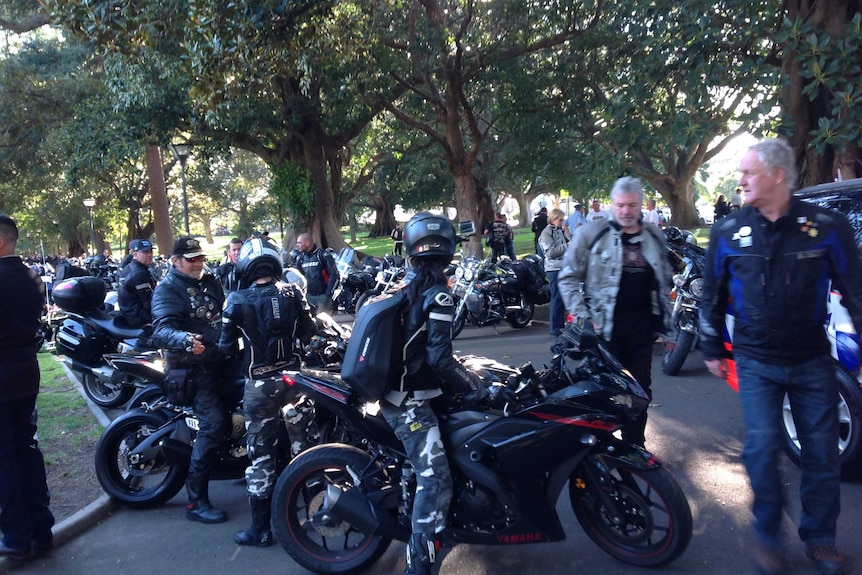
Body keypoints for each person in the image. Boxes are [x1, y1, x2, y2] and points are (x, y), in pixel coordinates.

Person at [699, 138, 862, 575]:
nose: (741, 180)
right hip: (755, 361)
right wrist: (711, 346)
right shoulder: (729, 230)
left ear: (777, 175)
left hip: (812, 359)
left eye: (748, 173)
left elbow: (855, 289)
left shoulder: (826, 226)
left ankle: (820, 540)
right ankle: (769, 537)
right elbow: (710, 294)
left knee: (822, 453)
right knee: (762, 449)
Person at [381, 211, 487, 575]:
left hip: (399, 391)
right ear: (448, 251)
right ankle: (419, 566)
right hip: (409, 402)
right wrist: (475, 385)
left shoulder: (404, 283)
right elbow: (440, 359)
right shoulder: (438, 294)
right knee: (435, 478)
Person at [218, 237, 318, 548]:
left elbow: (224, 348)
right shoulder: (293, 293)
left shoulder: (235, 300)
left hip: (258, 387)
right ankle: (317, 516)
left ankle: (260, 530)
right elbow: (309, 333)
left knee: (260, 457)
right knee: (308, 451)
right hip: (294, 381)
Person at [558, 177, 673, 446]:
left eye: (632, 205)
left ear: (641, 204)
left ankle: (635, 447)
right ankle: (602, 447)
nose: (625, 211)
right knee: (604, 391)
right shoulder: (592, 233)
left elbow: (664, 281)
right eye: (620, 205)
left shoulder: (654, 236)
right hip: (604, 329)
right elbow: (567, 276)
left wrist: (667, 325)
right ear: (612, 204)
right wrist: (584, 317)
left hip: (641, 329)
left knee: (639, 391)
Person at [151, 236, 232, 524]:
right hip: (191, 366)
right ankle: (196, 501)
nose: (198, 262)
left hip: (220, 359)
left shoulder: (208, 280)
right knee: (214, 423)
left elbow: (225, 311)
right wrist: (185, 340)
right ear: (175, 261)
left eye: (200, 257)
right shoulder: (168, 289)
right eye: (191, 258)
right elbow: (161, 330)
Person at [0, 214, 54, 560]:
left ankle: (17, 536)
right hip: (26, 370)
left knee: (5, 456)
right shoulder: (31, 276)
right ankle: (41, 528)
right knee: (27, 448)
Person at [538, 209, 568, 336]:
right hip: (554, 269)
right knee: (556, 297)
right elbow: (550, 253)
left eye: (562, 220)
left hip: (562, 267)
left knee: (562, 298)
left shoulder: (559, 231)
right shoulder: (547, 233)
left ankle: (560, 325)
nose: (562, 222)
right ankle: (555, 327)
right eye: (560, 220)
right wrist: (567, 246)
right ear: (553, 219)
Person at [117, 239, 155, 329]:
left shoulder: (129, 267)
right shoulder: (139, 274)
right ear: (135, 254)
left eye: (150, 251)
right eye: (145, 252)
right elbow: (150, 302)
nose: (149, 255)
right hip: (137, 318)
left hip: (128, 313)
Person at [294, 233, 337, 311]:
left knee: (322, 322)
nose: (297, 245)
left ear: (307, 243)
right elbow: (298, 277)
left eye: (299, 243)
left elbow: (334, 275)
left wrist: (327, 295)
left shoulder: (323, 255)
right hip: (307, 297)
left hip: (322, 297)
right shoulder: (300, 258)